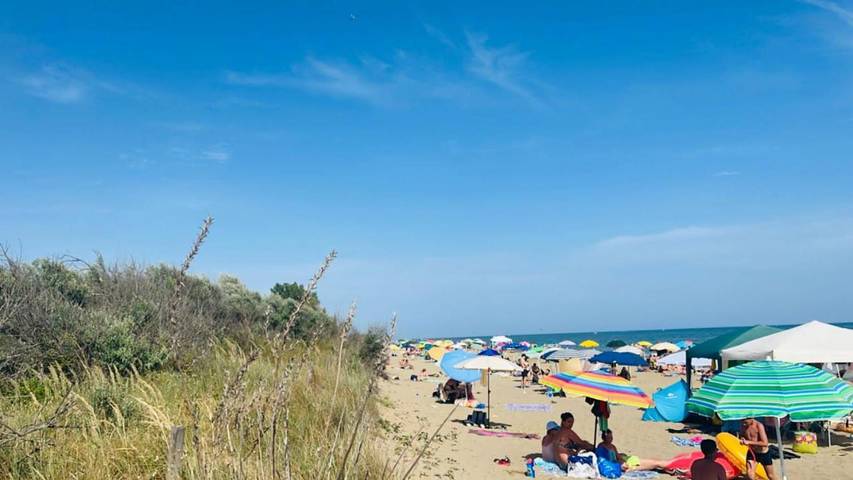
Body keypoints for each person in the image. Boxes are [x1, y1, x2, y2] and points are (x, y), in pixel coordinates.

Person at [596, 429, 669, 472]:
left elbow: (618, 456)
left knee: (650, 461)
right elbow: (603, 460)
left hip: (622, 462)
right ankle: (665, 467)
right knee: (651, 464)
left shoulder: (612, 446)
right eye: (609, 437)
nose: (611, 439)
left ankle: (666, 467)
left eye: (611, 437)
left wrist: (623, 459)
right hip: (617, 465)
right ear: (604, 438)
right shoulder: (601, 446)